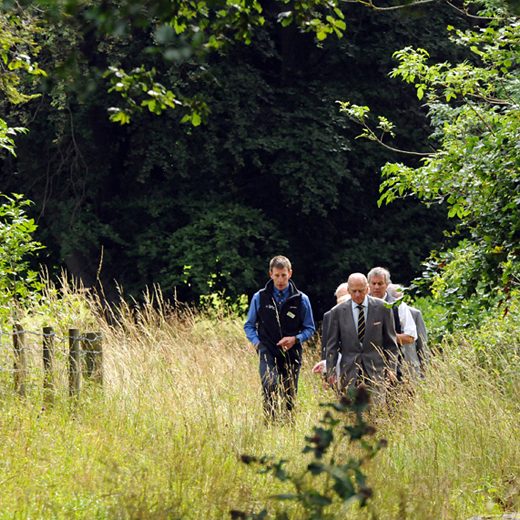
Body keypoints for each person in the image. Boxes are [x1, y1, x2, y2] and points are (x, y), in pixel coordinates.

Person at [244, 255, 315, 421]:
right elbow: (249, 325)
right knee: (270, 384)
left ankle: (289, 425)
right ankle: (270, 423)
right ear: (270, 274)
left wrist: (295, 339)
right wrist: (257, 343)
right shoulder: (259, 297)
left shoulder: (301, 299)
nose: (280, 279)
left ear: (290, 273)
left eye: (283, 275)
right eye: (277, 275)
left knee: (290, 391)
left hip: (292, 352)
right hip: (267, 350)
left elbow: (310, 328)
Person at [324, 273, 398, 399]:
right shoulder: (337, 312)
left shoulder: (383, 308)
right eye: (354, 291)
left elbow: (391, 343)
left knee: (376, 412)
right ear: (348, 290)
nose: (357, 295)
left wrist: (391, 368)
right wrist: (330, 372)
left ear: (367, 289)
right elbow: (332, 346)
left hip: (376, 370)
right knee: (352, 413)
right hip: (349, 372)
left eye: (361, 291)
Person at [367, 267, 417, 380]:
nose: (376, 287)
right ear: (368, 284)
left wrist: (385, 337)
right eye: (373, 283)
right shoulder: (361, 306)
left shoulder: (398, 306)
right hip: (365, 365)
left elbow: (410, 337)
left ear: (387, 284)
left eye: (380, 283)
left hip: (392, 363)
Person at [388, 283, 430, 377]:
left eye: (400, 298)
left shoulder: (415, 313)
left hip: (411, 365)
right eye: (395, 299)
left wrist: (425, 367)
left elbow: (422, 343)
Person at [312, 282, 349, 376]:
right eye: (339, 298)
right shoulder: (329, 316)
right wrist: (326, 373)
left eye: (345, 297)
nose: (342, 300)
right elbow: (326, 346)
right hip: (336, 368)